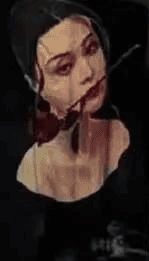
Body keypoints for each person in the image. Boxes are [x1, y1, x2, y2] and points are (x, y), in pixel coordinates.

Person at [10, 0, 130, 203]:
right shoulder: (33, 175)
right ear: (34, 84)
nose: (88, 72)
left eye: (91, 48)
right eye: (64, 67)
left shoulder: (122, 137)